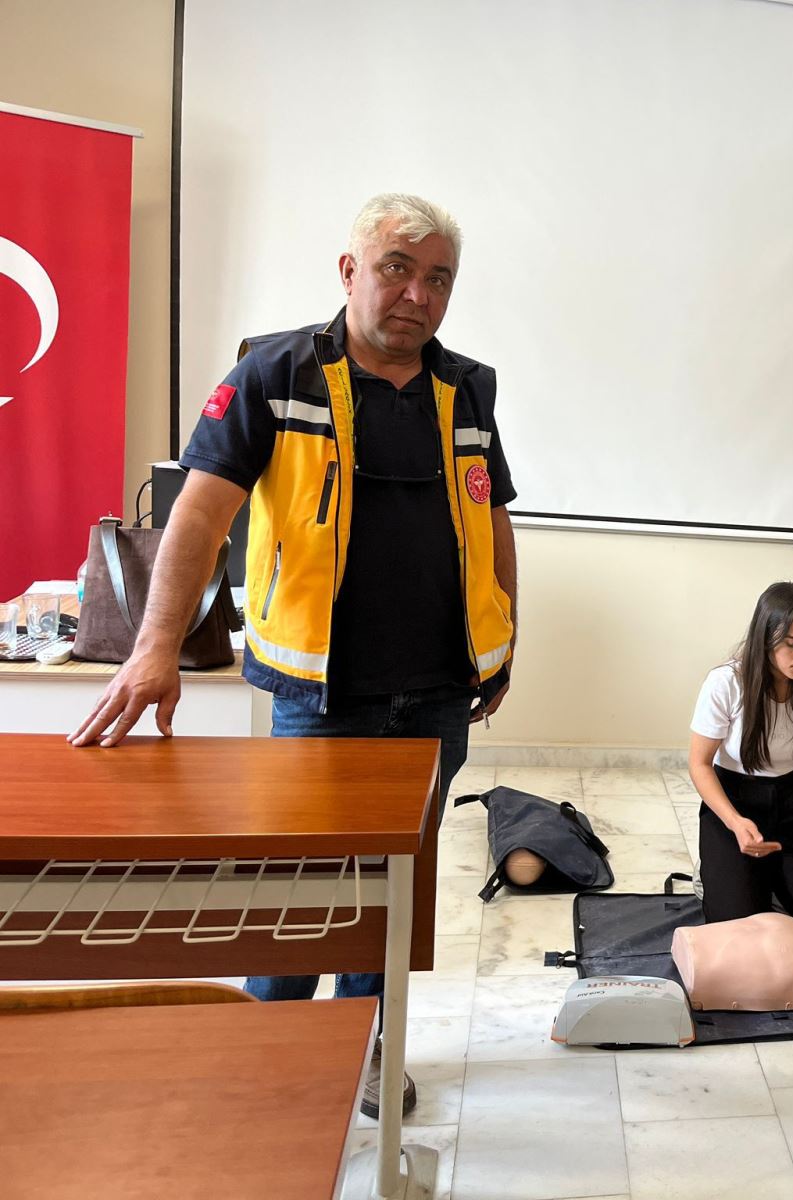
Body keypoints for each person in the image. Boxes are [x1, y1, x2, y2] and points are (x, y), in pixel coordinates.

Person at [70, 193, 519, 1118]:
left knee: (393, 895)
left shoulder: (468, 388)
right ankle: (261, 1062)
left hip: (439, 694)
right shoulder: (275, 374)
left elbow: (492, 516)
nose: (419, 294)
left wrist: (502, 641)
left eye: (438, 278)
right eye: (397, 268)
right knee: (299, 895)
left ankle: (365, 1047)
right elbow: (199, 515)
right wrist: (154, 648)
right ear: (350, 271)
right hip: (321, 696)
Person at [688, 581, 793, 932]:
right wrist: (735, 823)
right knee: (737, 928)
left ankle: (776, 877)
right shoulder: (726, 683)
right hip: (735, 799)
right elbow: (699, 764)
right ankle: (721, 872)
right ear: (766, 638)